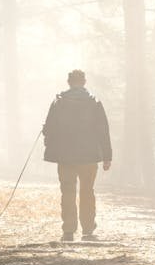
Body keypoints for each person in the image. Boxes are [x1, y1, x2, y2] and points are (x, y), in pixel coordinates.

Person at [42, 69, 112, 242]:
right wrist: (107, 156)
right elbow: (103, 130)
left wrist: (47, 133)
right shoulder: (94, 102)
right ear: (84, 82)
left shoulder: (58, 102)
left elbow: (49, 129)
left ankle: (68, 230)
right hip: (88, 156)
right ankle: (88, 229)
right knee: (87, 191)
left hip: (65, 156)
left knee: (67, 191)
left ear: (68, 82)